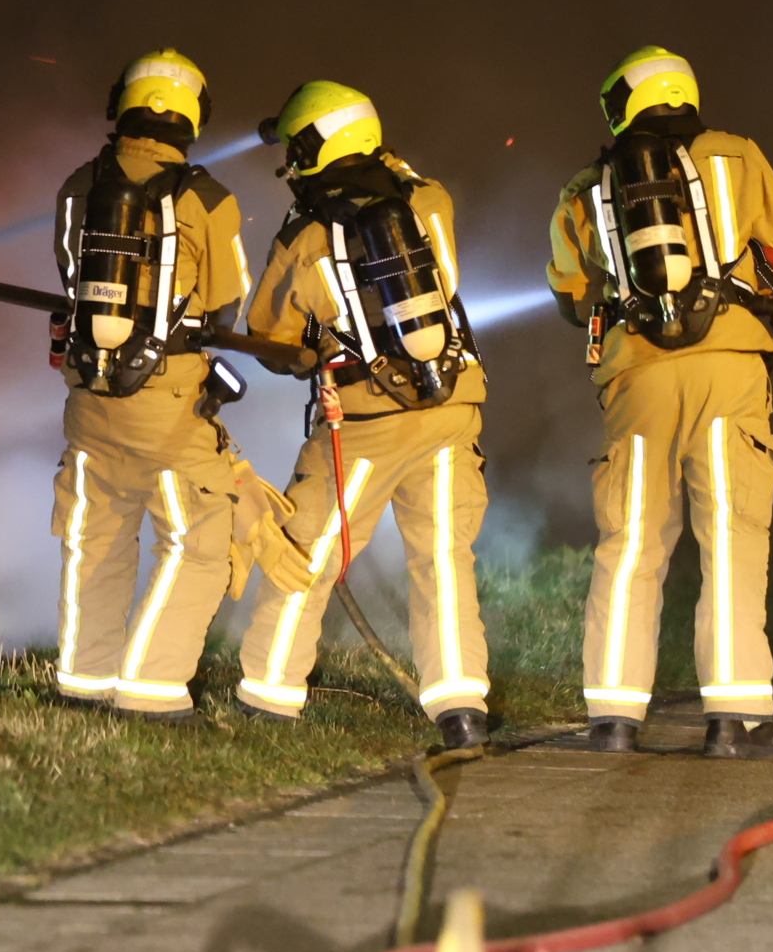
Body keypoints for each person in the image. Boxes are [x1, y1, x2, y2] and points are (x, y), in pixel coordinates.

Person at [546, 46, 773, 758]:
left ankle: (615, 719)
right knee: (732, 538)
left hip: (638, 378)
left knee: (630, 543)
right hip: (729, 367)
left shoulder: (586, 187)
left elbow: (571, 293)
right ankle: (734, 720)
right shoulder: (737, 157)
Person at [232, 80, 493, 749]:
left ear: (314, 146)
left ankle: (270, 695)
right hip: (450, 405)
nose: (289, 164)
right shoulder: (431, 200)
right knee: (442, 559)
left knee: (304, 555)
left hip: (364, 420)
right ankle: (460, 704)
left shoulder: (305, 235)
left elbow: (270, 333)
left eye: (294, 148)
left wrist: (306, 348)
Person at [47, 49, 253, 721]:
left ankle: (83, 680)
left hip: (89, 401)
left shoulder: (78, 187)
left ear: (123, 104)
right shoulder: (208, 200)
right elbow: (227, 301)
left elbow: (68, 271)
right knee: (197, 543)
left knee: (96, 543)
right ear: (193, 116)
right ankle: (153, 688)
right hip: (169, 411)